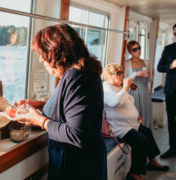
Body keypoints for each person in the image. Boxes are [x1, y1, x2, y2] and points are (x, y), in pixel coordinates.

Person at [16, 23, 106, 179]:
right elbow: (72, 109)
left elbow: (77, 134)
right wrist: (41, 105)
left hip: (77, 168)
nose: (40, 59)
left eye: (42, 53)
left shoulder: (77, 77)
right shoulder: (83, 72)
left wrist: (39, 120)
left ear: (55, 51)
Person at [102, 64, 169, 180]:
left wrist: (135, 116)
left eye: (121, 72)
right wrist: (125, 88)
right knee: (141, 141)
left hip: (130, 124)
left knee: (147, 132)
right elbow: (115, 103)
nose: (121, 75)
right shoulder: (105, 88)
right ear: (108, 76)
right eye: (118, 73)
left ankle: (152, 162)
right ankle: (134, 173)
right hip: (119, 128)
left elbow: (127, 102)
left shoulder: (118, 87)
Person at [157, 23, 176, 159]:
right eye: (175, 33)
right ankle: (173, 148)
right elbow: (159, 67)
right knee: (172, 121)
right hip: (172, 91)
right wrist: (171, 66)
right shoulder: (168, 49)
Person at [124, 41, 153, 130]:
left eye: (139, 48)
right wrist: (136, 74)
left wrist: (149, 76)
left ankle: (147, 138)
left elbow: (150, 80)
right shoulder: (126, 63)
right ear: (130, 52)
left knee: (146, 114)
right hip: (133, 91)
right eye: (135, 49)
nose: (138, 51)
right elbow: (124, 79)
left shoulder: (146, 62)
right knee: (134, 115)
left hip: (144, 91)